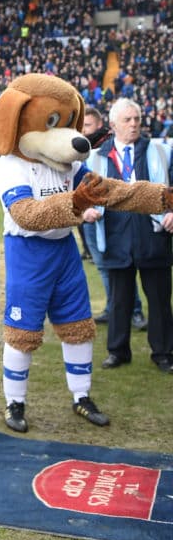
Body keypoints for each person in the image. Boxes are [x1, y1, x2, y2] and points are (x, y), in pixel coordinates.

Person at [88, 98, 173, 373]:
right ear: (113, 125)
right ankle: (117, 351)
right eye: (127, 120)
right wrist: (88, 210)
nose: (134, 124)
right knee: (119, 299)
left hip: (152, 232)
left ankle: (163, 353)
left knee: (159, 299)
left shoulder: (159, 150)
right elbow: (85, 193)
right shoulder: (98, 157)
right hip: (115, 233)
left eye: (137, 118)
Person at [80, 107, 146, 329]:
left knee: (122, 265)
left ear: (101, 126)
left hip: (114, 219)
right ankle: (114, 307)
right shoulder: (80, 151)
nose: (83, 131)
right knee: (102, 266)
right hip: (91, 217)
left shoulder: (111, 149)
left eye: (87, 126)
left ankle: (134, 310)